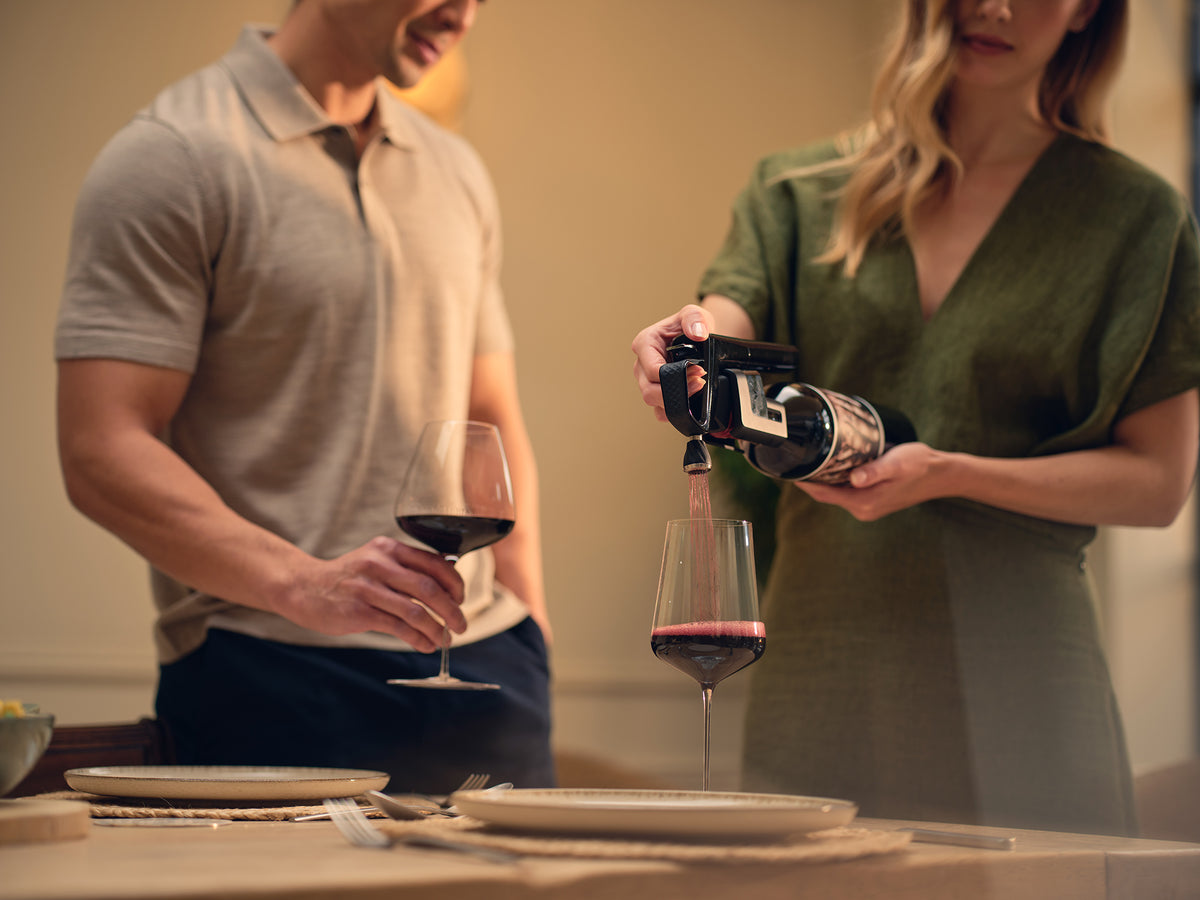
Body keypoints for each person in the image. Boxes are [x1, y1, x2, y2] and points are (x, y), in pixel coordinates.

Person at [632, 0, 1200, 834]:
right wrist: (687, 349)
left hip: (1025, 679)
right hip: (824, 672)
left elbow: (1157, 486)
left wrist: (950, 472)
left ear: (1087, 11)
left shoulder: (1136, 217)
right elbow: (727, 320)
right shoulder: (795, 192)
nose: (995, 7)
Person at [54, 0, 556, 793]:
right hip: (269, 675)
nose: (463, 12)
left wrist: (530, 621)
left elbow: (488, 415)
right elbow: (100, 448)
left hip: (488, 671)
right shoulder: (171, 156)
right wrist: (302, 583)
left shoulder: (457, 169)